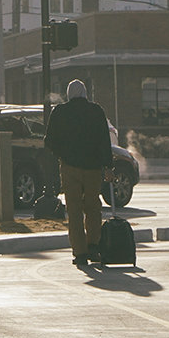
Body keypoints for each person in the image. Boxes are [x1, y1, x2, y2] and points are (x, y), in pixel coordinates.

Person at [44, 79, 115, 266]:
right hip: (93, 168)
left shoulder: (60, 112)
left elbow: (49, 140)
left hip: (70, 168)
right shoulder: (96, 111)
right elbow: (104, 141)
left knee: (74, 211)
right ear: (85, 93)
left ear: (69, 94)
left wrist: (63, 154)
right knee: (93, 208)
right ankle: (93, 246)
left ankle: (80, 253)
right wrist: (108, 167)